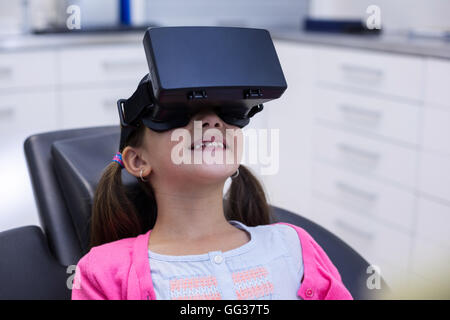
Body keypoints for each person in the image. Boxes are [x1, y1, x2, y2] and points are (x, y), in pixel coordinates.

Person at [71, 88, 352, 300]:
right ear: (138, 161)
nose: (212, 120)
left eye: (227, 111)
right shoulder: (104, 271)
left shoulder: (294, 245)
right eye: (180, 113)